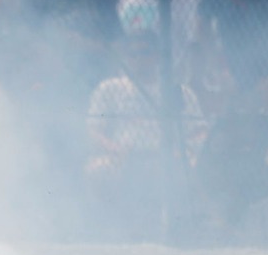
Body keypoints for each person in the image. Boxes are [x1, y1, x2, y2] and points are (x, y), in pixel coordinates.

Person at [85, 32, 206, 229]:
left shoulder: (178, 91)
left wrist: (183, 150)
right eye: (132, 54)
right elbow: (93, 130)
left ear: (157, 56)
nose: (138, 59)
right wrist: (114, 149)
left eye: (145, 53)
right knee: (99, 169)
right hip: (123, 156)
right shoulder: (110, 88)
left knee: (194, 168)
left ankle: (184, 227)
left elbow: (199, 130)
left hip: (170, 156)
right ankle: (107, 227)